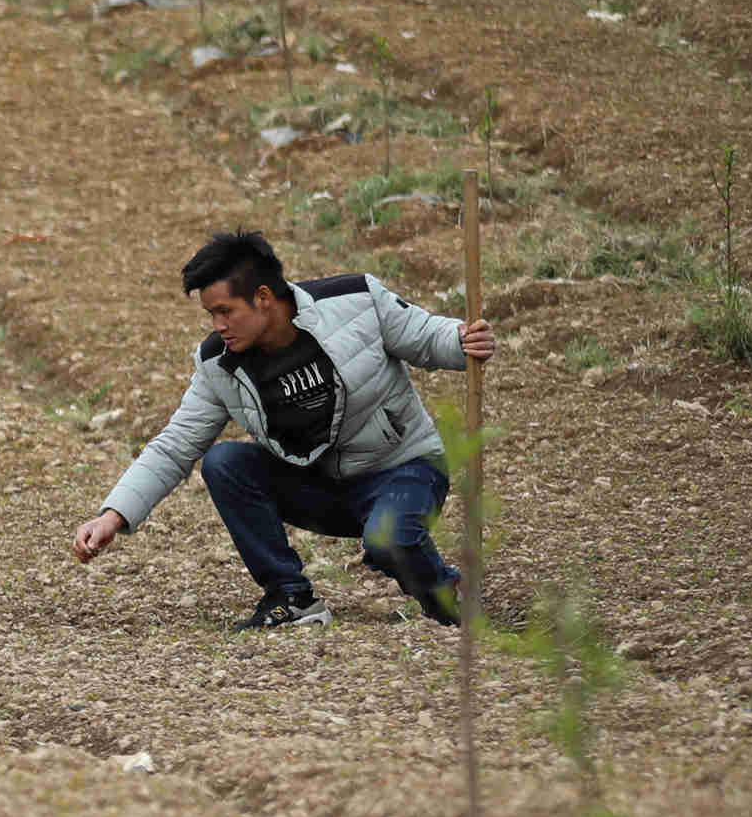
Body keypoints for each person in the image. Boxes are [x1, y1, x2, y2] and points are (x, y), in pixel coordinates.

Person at [71, 229, 499, 629]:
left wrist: (461, 340)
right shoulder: (218, 362)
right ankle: (290, 596)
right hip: (320, 486)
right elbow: (175, 446)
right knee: (224, 462)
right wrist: (114, 515)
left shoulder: (356, 301)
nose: (218, 325)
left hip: (403, 468)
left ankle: (445, 592)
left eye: (226, 311)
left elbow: (425, 336)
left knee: (391, 541)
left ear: (262, 298)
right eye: (211, 313)